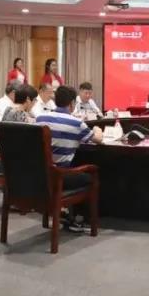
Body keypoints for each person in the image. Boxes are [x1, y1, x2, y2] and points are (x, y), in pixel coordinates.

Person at [35, 86, 103, 231]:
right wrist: (97, 129)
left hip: (40, 175)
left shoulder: (40, 119)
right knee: (91, 175)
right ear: (72, 103)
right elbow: (98, 139)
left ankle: (65, 213)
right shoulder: (76, 123)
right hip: (59, 177)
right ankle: (78, 218)